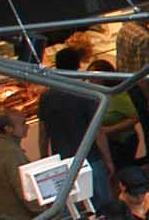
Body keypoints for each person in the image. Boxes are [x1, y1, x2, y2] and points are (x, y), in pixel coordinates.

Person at [36, 45, 101, 180]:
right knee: (99, 196)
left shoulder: (46, 97)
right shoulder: (87, 93)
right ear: (78, 65)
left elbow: (43, 132)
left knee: (73, 197)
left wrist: (44, 157)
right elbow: (97, 131)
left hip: (62, 159)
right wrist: (108, 159)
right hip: (90, 156)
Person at [0, 108, 35, 220]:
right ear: (8, 129)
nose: (27, 126)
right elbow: (24, 189)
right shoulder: (11, 153)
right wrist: (43, 212)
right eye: (22, 124)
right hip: (22, 219)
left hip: (5, 215)